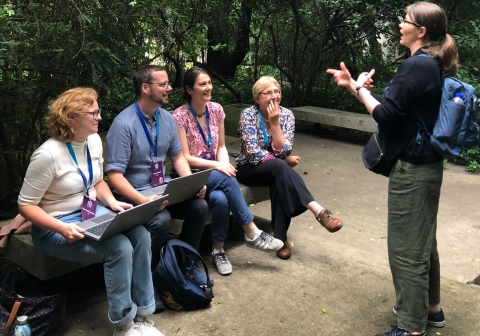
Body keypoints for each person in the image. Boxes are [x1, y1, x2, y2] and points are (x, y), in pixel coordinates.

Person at [326, 2, 455, 335]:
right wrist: (356, 89)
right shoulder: (431, 64)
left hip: (412, 169)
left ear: (421, 31)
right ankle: (432, 310)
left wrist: (356, 88)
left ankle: (411, 327)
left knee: (406, 247)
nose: (400, 24)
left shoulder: (416, 66)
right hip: (427, 163)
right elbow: (397, 114)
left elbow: (384, 117)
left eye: (405, 20)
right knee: (423, 239)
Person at [17, 88, 164, 336]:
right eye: (93, 112)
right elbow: (26, 205)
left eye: (99, 111)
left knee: (140, 235)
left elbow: (97, 181)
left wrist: (113, 203)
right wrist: (61, 227)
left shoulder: (93, 141)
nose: (100, 117)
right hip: (56, 226)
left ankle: (143, 315)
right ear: (71, 117)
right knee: (119, 248)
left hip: (90, 213)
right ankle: (123, 323)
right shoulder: (47, 155)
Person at [106, 66, 211, 297]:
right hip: (134, 194)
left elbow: (176, 156)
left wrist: (190, 182)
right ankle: (149, 277)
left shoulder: (167, 118)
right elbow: (114, 176)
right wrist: (143, 199)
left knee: (200, 206)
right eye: (163, 85)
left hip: (163, 189)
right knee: (160, 220)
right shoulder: (123, 124)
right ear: (145, 88)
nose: (169, 88)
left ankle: (184, 264)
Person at [172, 67, 284, 276]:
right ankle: (251, 232)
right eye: (202, 84)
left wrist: (224, 165)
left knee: (221, 199)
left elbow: (221, 146)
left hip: (215, 173)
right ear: (189, 89)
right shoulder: (179, 116)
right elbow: (184, 157)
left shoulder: (216, 110)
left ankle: (218, 251)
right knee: (226, 179)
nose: (208, 87)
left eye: (209, 83)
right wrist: (218, 166)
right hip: (191, 173)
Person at [235, 76, 344, 260]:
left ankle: (280, 239)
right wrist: (284, 162)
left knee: (280, 180)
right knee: (280, 167)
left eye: (277, 91)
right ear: (257, 98)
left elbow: (285, 149)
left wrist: (275, 124)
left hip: (276, 169)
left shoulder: (286, 115)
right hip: (249, 168)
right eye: (268, 93)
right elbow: (253, 154)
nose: (274, 96)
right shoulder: (248, 115)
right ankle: (318, 211)